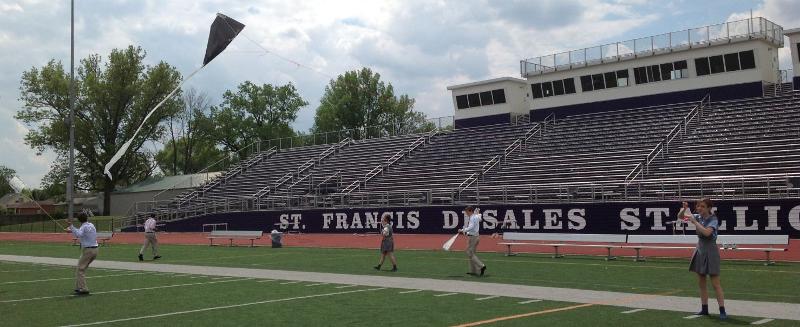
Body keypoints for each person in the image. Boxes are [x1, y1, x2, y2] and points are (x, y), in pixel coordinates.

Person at [679, 198, 726, 319]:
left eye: (703, 206)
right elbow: (680, 217)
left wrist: (695, 222)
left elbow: (707, 233)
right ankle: (704, 309)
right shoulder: (698, 217)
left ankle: (722, 310)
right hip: (700, 250)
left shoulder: (713, 219)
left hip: (711, 252)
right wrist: (684, 209)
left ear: (709, 208)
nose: (699, 208)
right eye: (698, 206)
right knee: (701, 283)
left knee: (715, 284)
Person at [65, 212, 98, 295]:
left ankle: (83, 289)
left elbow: (79, 234)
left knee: (80, 269)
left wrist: (71, 226)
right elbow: (82, 233)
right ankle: (78, 287)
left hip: (88, 250)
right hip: (95, 250)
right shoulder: (91, 225)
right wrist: (71, 230)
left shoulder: (83, 227)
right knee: (81, 268)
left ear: (79, 220)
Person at [458, 206, 486, 276]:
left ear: (470, 211)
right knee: (471, 254)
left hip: (473, 238)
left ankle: (482, 266)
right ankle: (473, 271)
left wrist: (462, 230)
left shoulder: (472, 217)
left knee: (470, 253)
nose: (466, 213)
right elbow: (480, 219)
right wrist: (479, 213)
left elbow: (471, 227)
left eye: (466, 211)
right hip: (475, 237)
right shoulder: (476, 216)